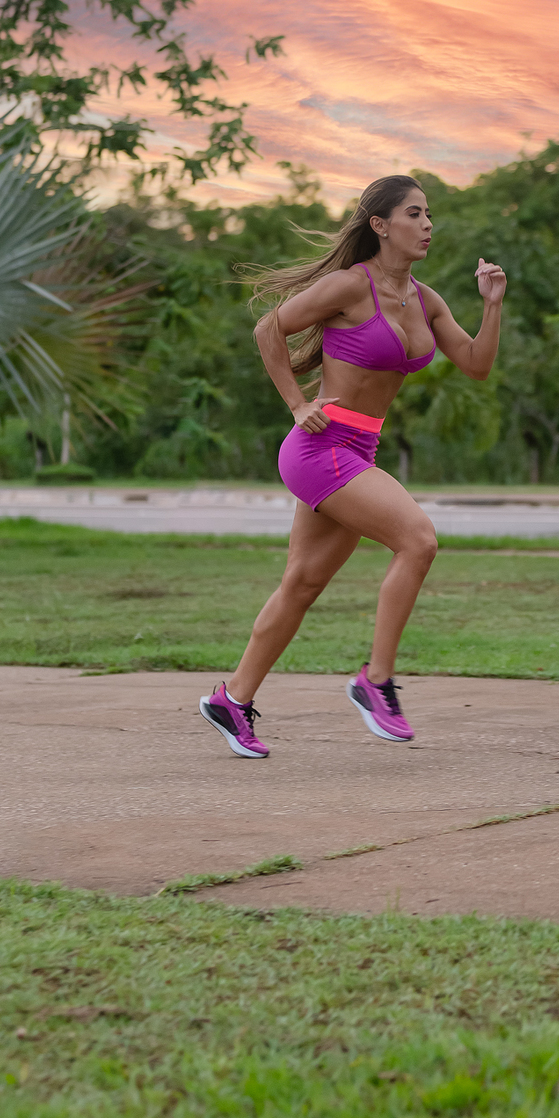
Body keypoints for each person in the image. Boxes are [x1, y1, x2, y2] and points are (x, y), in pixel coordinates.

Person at [199, 174, 507, 758]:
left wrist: (491, 307)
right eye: (414, 214)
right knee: (418, 540)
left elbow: (475, 363)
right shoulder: (349, 286)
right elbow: (271, 327)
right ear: (380, 225)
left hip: (358, 451)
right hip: (320, 447)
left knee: (303, 583)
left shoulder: (426, 299)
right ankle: (377, 682)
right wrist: (297, 403)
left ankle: (231, 699)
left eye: (429, 216)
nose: (427, 225)